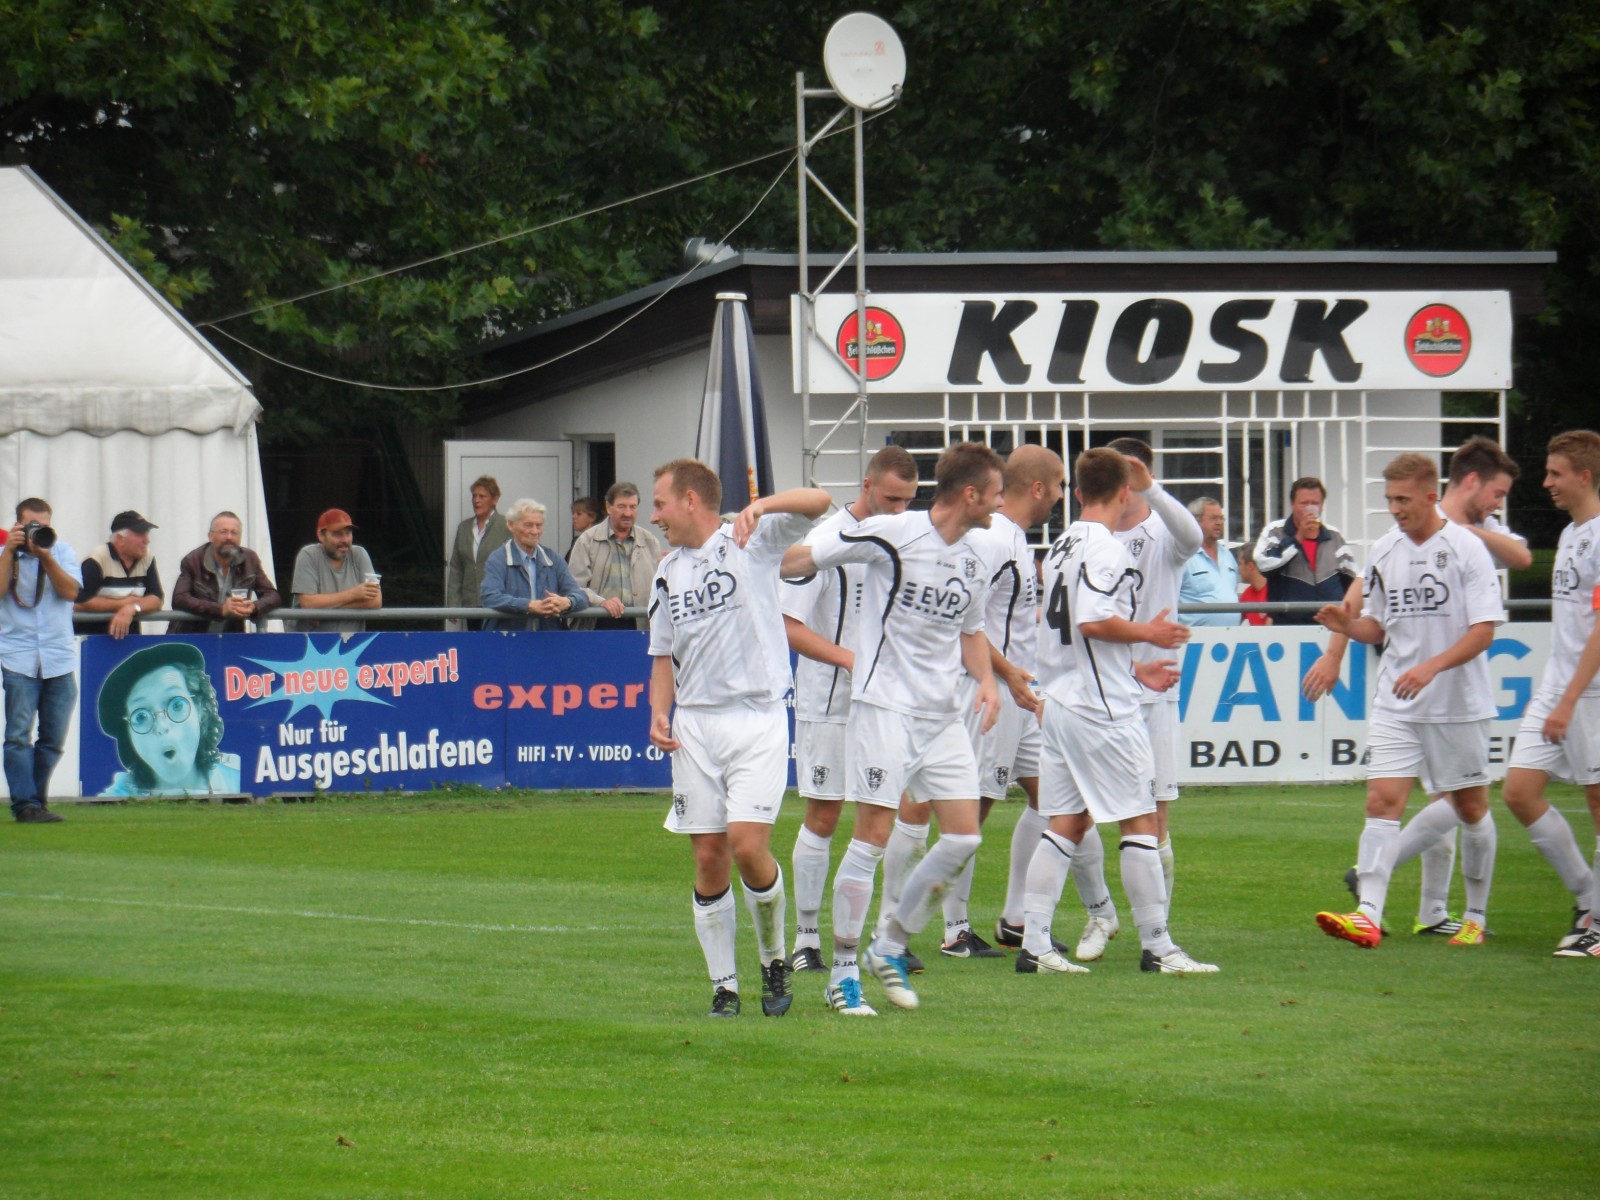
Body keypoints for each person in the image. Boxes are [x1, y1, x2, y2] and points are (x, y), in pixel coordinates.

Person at [780, 442, 1004, 1016]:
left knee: (963, 836)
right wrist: (752, 554)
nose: (999, 506)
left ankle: (891, 943)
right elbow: (801, 560)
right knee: (869, 835)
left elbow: (972, 630)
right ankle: (843, 972)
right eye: (995, 493)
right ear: (971, 494)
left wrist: (986, 681)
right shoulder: (893, 532)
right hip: (884, 706)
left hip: (943, 714)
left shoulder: (981, 551)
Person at [1309, 436, 1529, 936]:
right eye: (1389, 500)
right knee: (1382, 801)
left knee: (1471, 807)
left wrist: (1431, 667)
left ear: (1431, 497)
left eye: (1403, 500)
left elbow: (1484, 631)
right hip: (1396, 700)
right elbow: (1378, 628)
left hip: (1456, 702)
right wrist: (1346, 628)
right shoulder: (1385, 550)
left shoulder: (1466, 548)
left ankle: (1473, 916)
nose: (1395, 510)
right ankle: (1367, 915)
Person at [1016, 447, 1216, 976]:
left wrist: (1137, 669)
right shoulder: (1106, 550)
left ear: (1079, 492)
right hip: (1100, 708)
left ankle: (1034, 944)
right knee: (1141, 820)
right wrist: (1149, 634)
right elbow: (1094, 621)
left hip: (1059, 699)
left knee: (1067, 822)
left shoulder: (1059, 546)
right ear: (1124, 492)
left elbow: (1071, 628)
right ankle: (1159, 947)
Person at [648, 459, 831, 1018]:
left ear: (690, 501)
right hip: (696, 725)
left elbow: (819, 502)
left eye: (660, 504)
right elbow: (661, 653)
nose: (655, 516)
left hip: (757, 719)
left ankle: (774, 959)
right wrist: (659, 712)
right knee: (708, 857)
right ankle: (723, 987)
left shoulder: (749, 541)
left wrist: (761, 505)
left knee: (748, 847)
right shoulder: (667, 572)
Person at [1056, 437, 1201, 963]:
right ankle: (1102, 913)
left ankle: (1156, 929)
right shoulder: (1088, 538)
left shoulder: (1162, 530)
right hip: (1097, 691)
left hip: (1151, 693)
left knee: (1153, 817)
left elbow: (1194, 534)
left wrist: (1152, 488)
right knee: (1076, 816)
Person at [782, 446, 919, 974]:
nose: (897, 510)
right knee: (824, 813)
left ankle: (881, 935)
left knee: (891, 813)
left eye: (907, 501)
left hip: (886, 703)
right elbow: (788, 626)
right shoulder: (823, 541)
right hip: (829, 698)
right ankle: (807, 939)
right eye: (890, 498)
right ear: (866, 485)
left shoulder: (905, 540)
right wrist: (852, 662)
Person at [941, 443, 1064, 959]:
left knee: (1052, 795)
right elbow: (964, 619)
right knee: (975, 805)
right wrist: (1004, 673)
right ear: (1037, 488)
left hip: (1019, 690)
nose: (1061, 496)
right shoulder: (994, 540)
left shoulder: (1015, 540)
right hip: (989, 690)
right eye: (1057, 486)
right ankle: (954, 929)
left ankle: (1016, 918)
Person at [1501, 430, 1600, 958]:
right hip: (1558, 686)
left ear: (1584, 476)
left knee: (1597, 800)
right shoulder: (1569, 535)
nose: (1547, 483)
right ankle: (1589, 899)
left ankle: (1599, 925)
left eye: (1556, 473)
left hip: (1592, 693)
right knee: (1519, 790)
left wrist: (1569, 698)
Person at [0, 499, 81, 823]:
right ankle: (25, 805)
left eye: (43, 525)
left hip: (58, 656)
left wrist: (45, 555)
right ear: (18, 525)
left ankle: (36, 799)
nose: (37, 531)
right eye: (31, 525)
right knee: (18, 735)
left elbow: (70, 592)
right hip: (18, 655)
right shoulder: (5, 553)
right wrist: (9, 551)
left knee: (53, 737)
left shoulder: (61, 551)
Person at [96, 642, 241, 796]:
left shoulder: (238, 776)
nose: (162, 726)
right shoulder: (116, 800)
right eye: (141, 717)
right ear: (128, 733)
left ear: (199, 708)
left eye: (177, 705)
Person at [1253, 477, 1359, 624]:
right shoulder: (1275, 531)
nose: (1310, 508)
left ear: (1322, 506)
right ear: (1292, 504)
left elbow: (1351, 581)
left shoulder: (1334, 536)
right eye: (1303, 503)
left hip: (1330, 627)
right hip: (1289, 628)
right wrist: (1298, 537)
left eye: (1315, 503)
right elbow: (1264, 565)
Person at [567, 482, 666, 632]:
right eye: (621, 507)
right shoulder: (587, 541)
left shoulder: (650, 542)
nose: (628, 513)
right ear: (608, 507)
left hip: (641, 627)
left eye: (632, 507)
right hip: (598, 626)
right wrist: (601, 602)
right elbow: (573, 587)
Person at [480, 499, 587, 631]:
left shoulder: (553, 559)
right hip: (507, 642)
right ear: (510, 525)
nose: (535, 531)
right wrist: (529, 605)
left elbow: (581, 596)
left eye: (539, 525)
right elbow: (490, 597)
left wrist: (567, 602)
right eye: (528, 525)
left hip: (546, 641)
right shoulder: (498, 559)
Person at [171, 511, 282, 633]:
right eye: (223, 532)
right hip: (194, 638)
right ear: (210, 536)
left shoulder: (250, 559)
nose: (229, 537)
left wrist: (254, 607)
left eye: (234, 533)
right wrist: (220, 609)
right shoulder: (193, 560)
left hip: (231, 640)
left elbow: (273, 595)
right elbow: (179, 599)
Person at [75, 510, 163, 639]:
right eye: (140, 534)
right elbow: (80, 601)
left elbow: (157, 599)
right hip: (93, 641)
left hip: (129, 640)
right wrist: (123, 604)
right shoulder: (98, 559)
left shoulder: (147, 558)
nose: (147, 540)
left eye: (147, 533)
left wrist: (133, 607)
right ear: (120, 539)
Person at [290, 509, 381, 634]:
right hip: (310, 645)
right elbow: (308, 603)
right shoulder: (308, 555)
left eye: (348, 533)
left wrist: (323, 609)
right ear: (321, 535)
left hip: (353, 644)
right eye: (337, 534)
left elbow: (375, 601)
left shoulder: (360, 554)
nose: (344, 540)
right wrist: (354, 594)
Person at [445, 476, 511, 630]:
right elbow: (456, 568)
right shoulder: (464, 528)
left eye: (482, 496)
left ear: (494, 499)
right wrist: (453, 605)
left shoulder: (507, 526)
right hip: (472, 604)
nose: (476, 500)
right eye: (474, 496)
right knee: (476, 648)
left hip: (498, 603)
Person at [1178, 497, 1242, 627]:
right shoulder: (1183, 556)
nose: (1219, 523)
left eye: (1221, 518)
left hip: (1230, 639)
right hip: (1193, 640)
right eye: (1213, 518)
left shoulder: (1227, 555)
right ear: (1196, 520)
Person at [1238, 556, 1272, 626]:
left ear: (1250, 566)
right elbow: (1235, 622)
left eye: (1240, 564)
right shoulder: (1247, 594)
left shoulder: (1275, 591)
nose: (1238, 569)